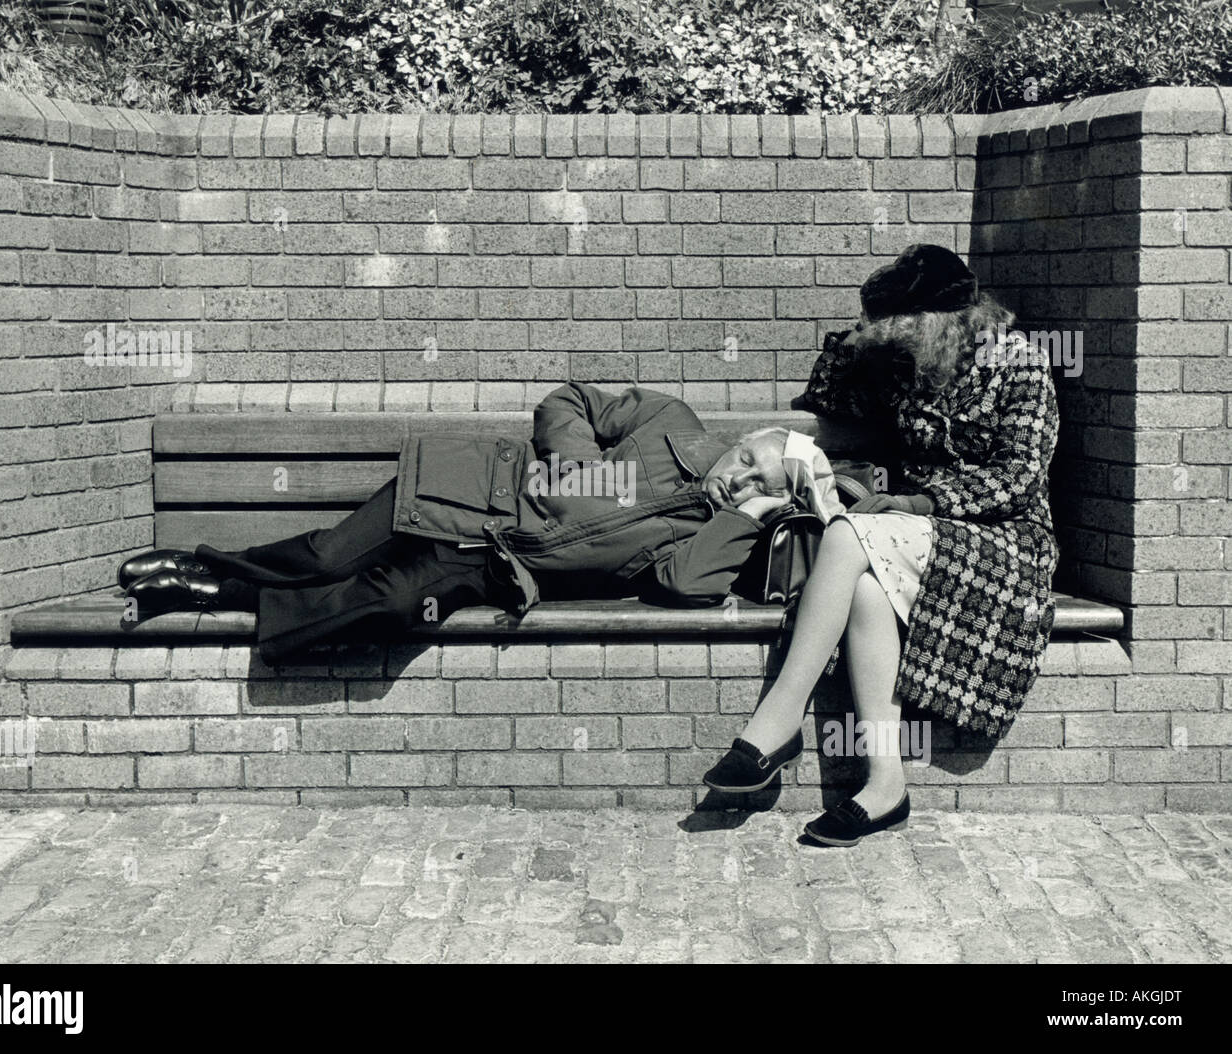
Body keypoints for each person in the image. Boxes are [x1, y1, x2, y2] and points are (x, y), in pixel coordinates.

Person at [702, 243, 1060, 848]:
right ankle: (885, 785)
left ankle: (779, 719)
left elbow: (1020, 476)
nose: (897, 339)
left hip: (1005, 543)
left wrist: (921, 502)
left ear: (944, 320)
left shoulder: (1020, 364)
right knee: (866, 588)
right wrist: (863, 333)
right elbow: (828, 400)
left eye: (904, 326)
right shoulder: (909, 359)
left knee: (850, 530)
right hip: (912, 537)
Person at [117, 382, 791, 665]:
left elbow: (685, 587)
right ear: (743, 438)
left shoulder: (705, 536)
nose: (745, 479)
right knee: (327, 560)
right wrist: (582, 470)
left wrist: (752, 517)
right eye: (752, 462)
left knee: (392, 602)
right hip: (467, 488)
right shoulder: (671, 421)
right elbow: (571, 399)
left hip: (492, 563)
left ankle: (200, 589)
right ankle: (198, 560)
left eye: (763, 487)